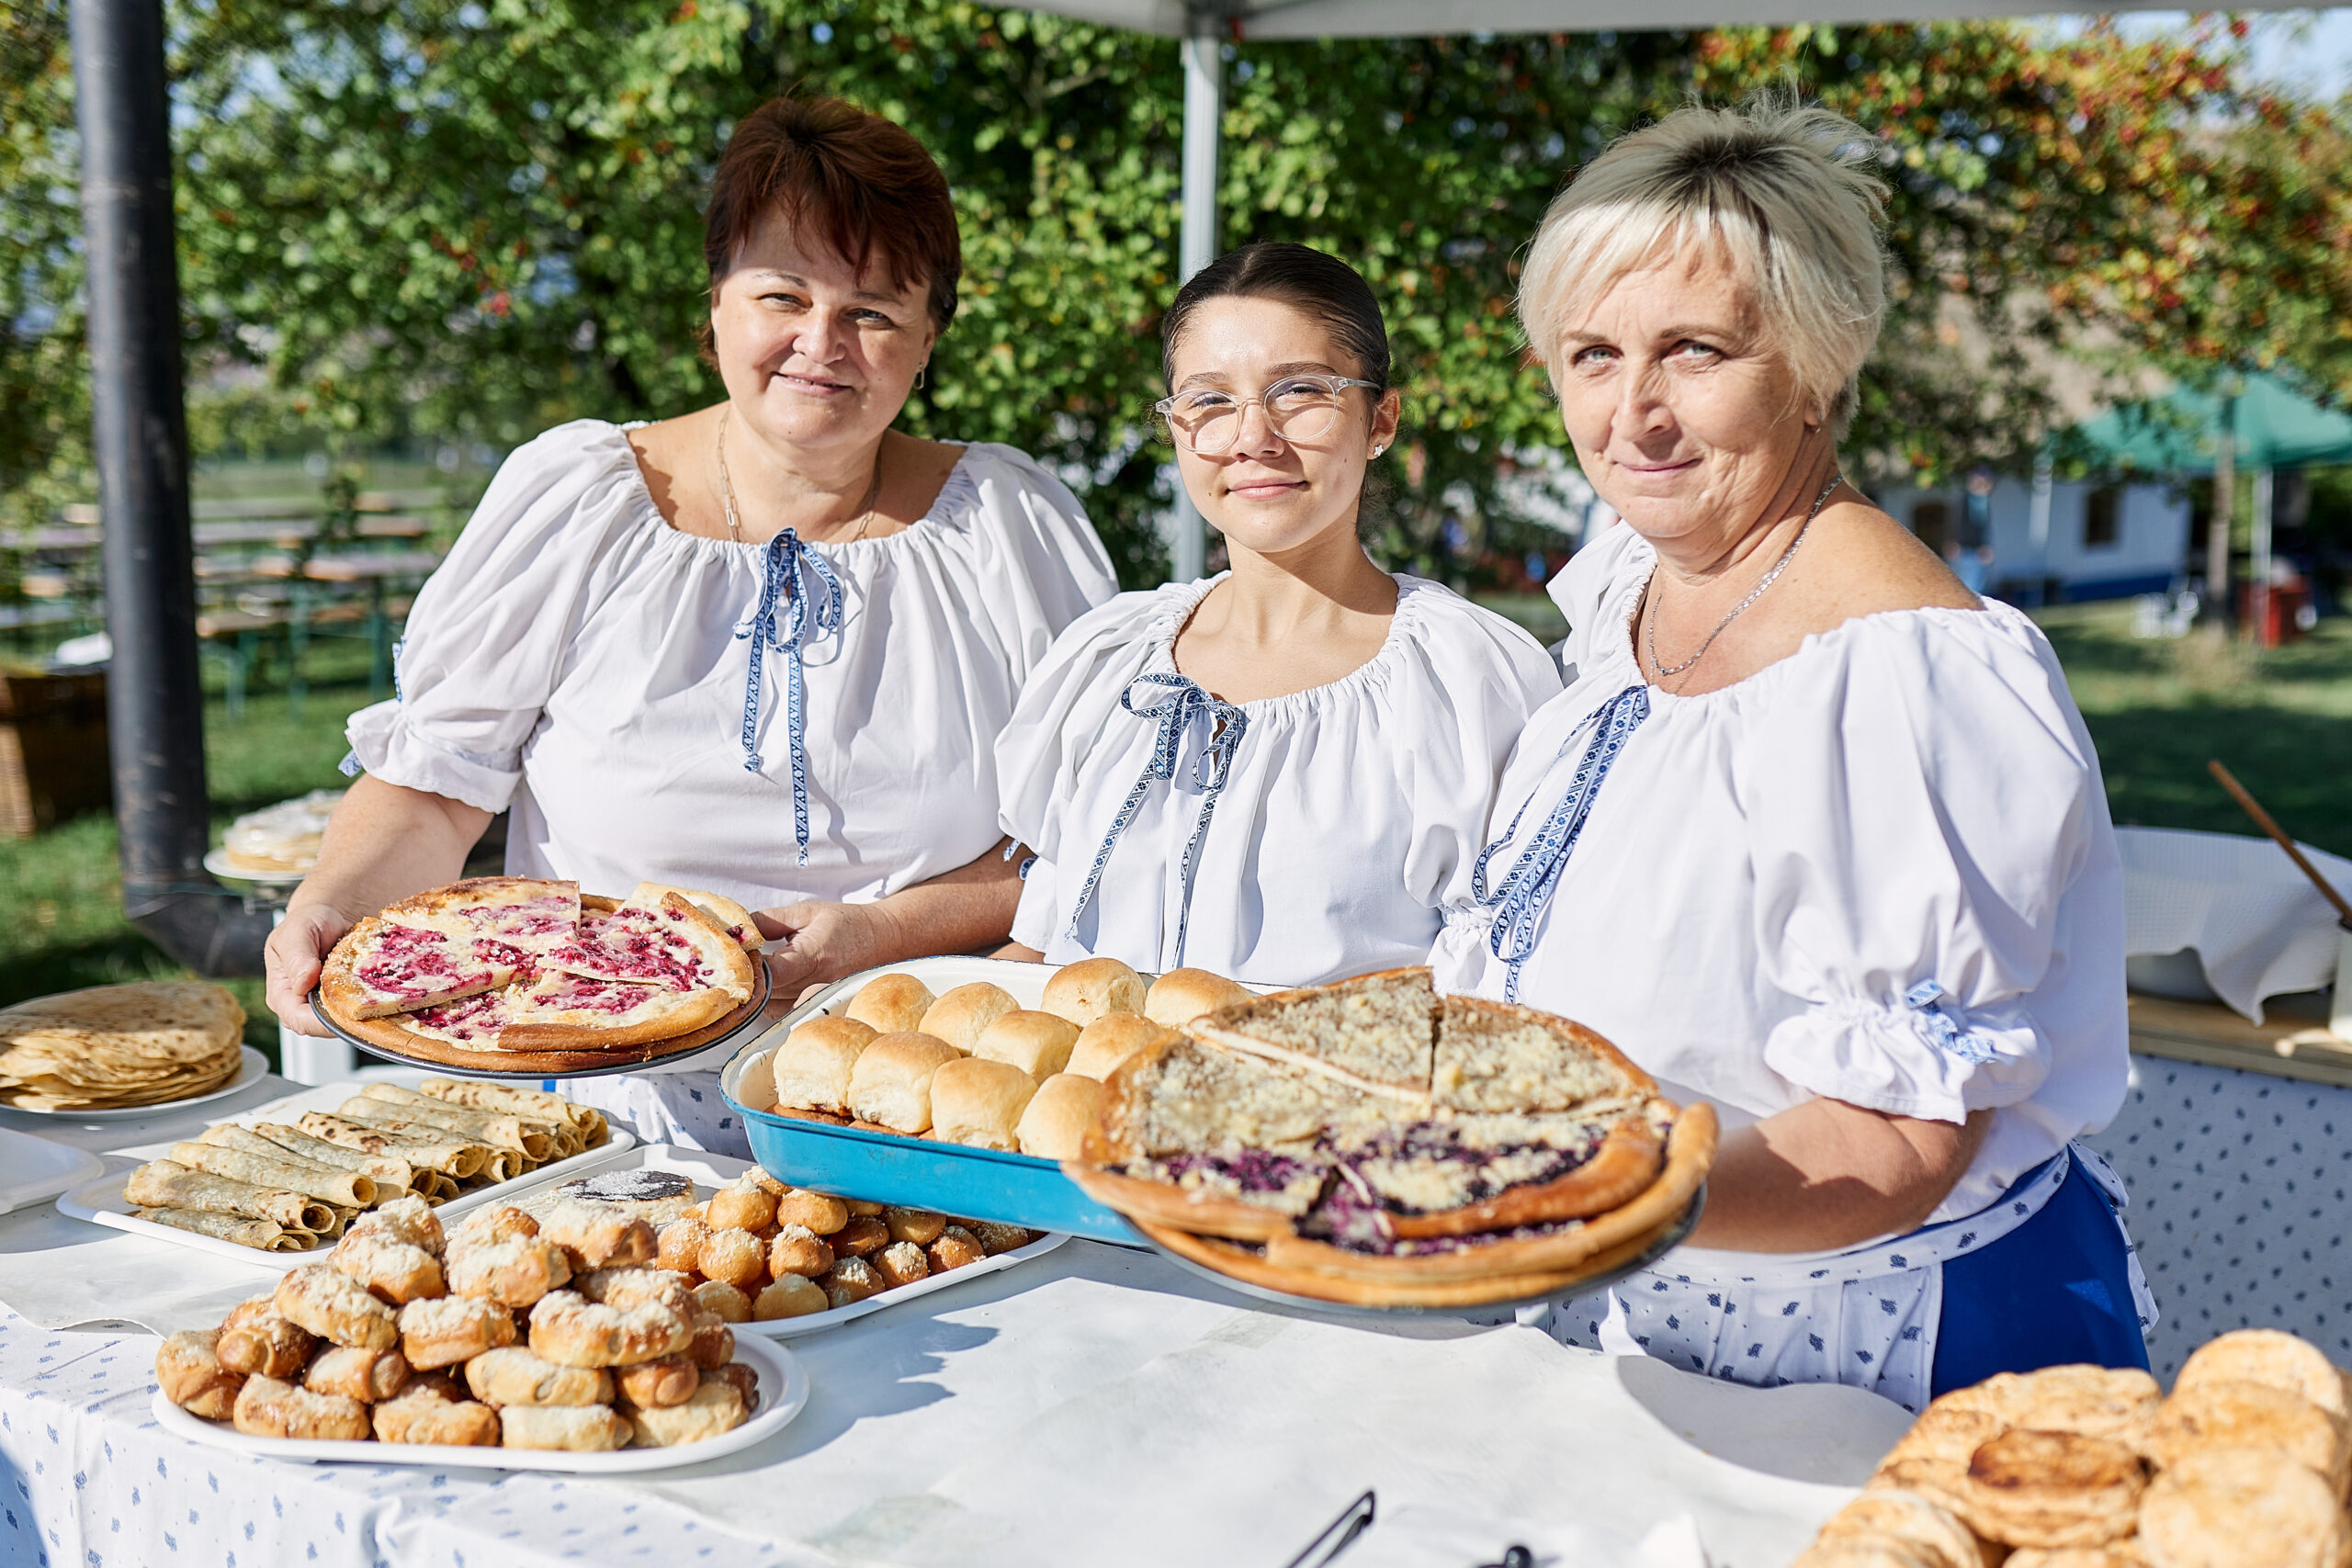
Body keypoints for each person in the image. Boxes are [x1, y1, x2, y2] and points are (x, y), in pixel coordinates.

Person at [1431, 96, 2149, 1413]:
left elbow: (1890, 1137)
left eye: (1693, 350)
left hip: (1882, 1356)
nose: (1631, 411)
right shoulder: (1628, 594)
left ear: (1817, 363)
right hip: (1642, 1306)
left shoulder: (1904, 676)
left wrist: (1568, 1197)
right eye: (1591, 353)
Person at [265, 96, 1117, 1151]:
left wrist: (882, 934)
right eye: (782, 295)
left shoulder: (1009, 525)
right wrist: (330, 901)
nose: (822, 343)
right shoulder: (578, 498)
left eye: (874, 312)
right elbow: (438, 784)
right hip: (595, 1116)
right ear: (714, 303)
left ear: (929, 336)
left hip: (919, 1110)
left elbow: (1096, 837)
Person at [996, 243, 1558, 985]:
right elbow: (1042, 947)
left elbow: (1502, 982)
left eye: (1299, 391)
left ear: (1381, 419)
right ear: (1176, 428)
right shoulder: (1108, 660)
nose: (1252, 437)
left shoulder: (1466, 680)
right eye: (1210, 400)